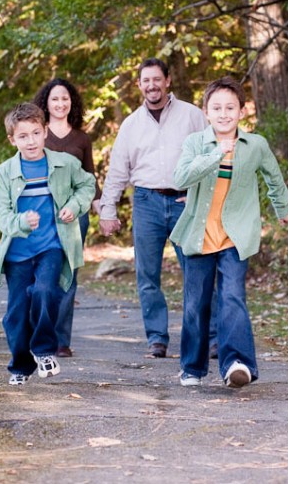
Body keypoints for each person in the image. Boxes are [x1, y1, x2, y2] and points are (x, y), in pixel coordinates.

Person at [170, 76, 288, 388]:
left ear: (242, 111)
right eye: (217, 108)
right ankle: (192, 368)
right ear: (206, 112)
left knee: (232, 297)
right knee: (196, 305)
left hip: (236, 237)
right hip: (198, 236)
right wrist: (215, 154)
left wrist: (283, 208)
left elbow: (274, 179)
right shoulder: (196, 143)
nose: (224, 113)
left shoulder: (256, 145)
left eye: (230, 107)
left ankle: (237, 363)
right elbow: (180, 177)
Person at [98, 58, 207, 358]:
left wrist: (202, 195)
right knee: (147, 275)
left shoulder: (192, 116)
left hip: (186, 201)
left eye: (157, 79)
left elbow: (210, 156)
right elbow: (118, 171)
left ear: (168, 81)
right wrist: (108, 210)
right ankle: (157, 338)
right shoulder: (131, 125)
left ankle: (205, 337)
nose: (152, 85)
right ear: (139, 85)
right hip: (146, 202)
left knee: (196, 271)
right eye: (146, 80)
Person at [0, 102, 96, 386]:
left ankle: (45, 351)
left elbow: (88, 185)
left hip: (52, 247)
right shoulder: (3, 173)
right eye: (23, 136)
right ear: (12, 139)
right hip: (18, 254)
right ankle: (21, 366)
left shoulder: (64, 164)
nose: (31, 141)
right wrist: (21, 222)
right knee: (16, 313)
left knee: (45, 291)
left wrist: (74, 205)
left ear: (45, 132)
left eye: (36, 133)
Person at [33, 77, 102, 358]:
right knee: (41, 275)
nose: (60, 103)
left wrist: (101, 209)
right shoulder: (37, 134)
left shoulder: (81, 138)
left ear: (71, 102)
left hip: (75, 216)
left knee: (68, 276)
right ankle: (38, 332)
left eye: (65, 99)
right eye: (55, 99)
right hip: (41, 213)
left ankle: (61, 340)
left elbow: (90, 178)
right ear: (46, 103)